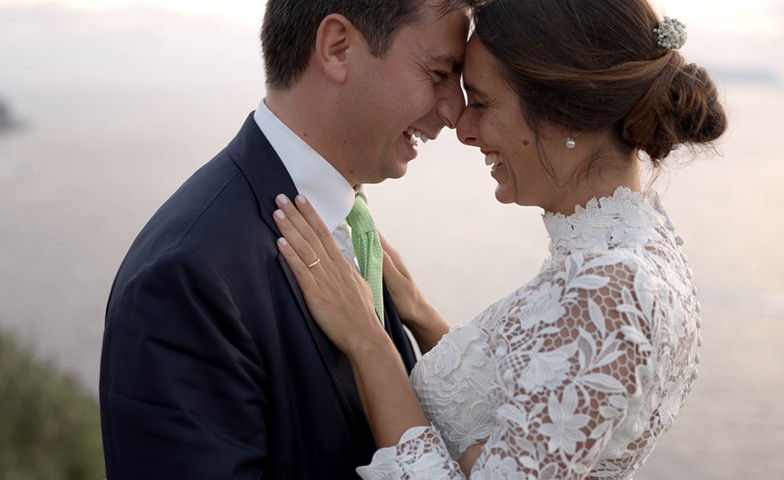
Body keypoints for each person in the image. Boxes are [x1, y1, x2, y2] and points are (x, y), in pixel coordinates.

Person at [272, 0, 728, 477]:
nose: (462, 128)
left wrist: (368, 343)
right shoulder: (642, 249)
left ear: (568, 112)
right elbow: (528, 399)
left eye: (484, 103)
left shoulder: (613, 286)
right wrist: (421, 316)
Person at [98, 0, 474, 478]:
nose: (456, 111)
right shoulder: (188, 274)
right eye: (440, 73)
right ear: (337, 48)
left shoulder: (348, 226)